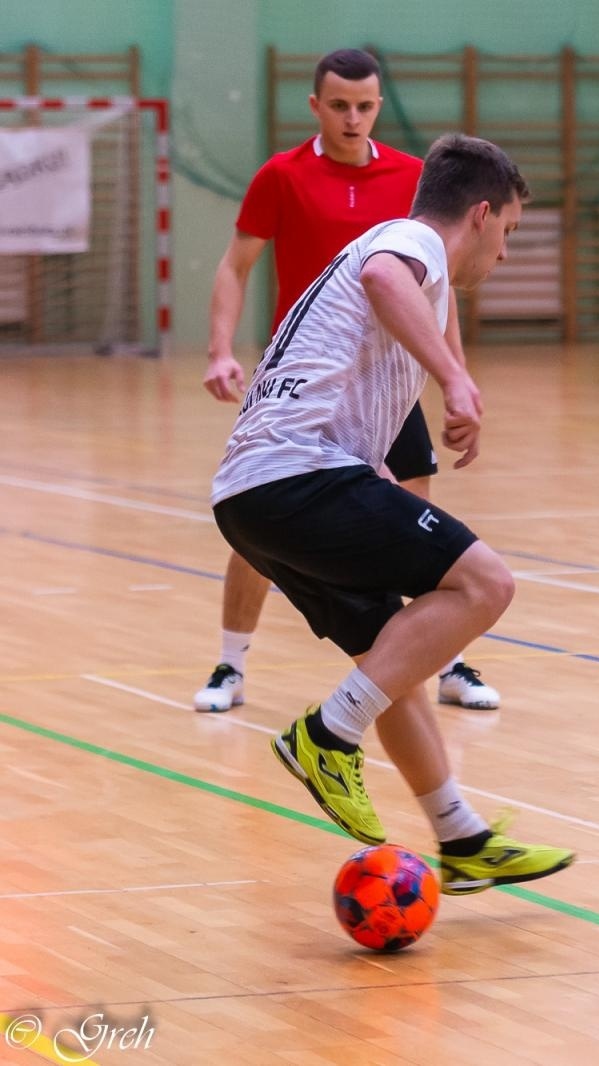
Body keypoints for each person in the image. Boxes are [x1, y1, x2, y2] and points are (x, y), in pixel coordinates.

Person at [212, 133, 573, 894]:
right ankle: (326, 735)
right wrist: (454, 379)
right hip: (294, 480)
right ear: (479, 215)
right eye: (508, 232)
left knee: (394, 657)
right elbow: (383, 278)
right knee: (486, 586)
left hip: (254, 494)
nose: (505, 254)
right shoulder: (409, 242)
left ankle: (460, 836)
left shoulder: (398, 251)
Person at [196, 48, 499, 713]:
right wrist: (221, 349)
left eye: (365, 106)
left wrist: (456, 374)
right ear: (315, 106)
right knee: (266, 523)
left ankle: (441, 658)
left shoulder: (415, 179)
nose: (353, 118)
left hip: (388, 379)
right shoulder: (282, 176)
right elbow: (234, 265)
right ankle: (230, 664)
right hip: (306, 384)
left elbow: (432, 291)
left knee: (420, 518)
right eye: (339, 106)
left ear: (379, 106)